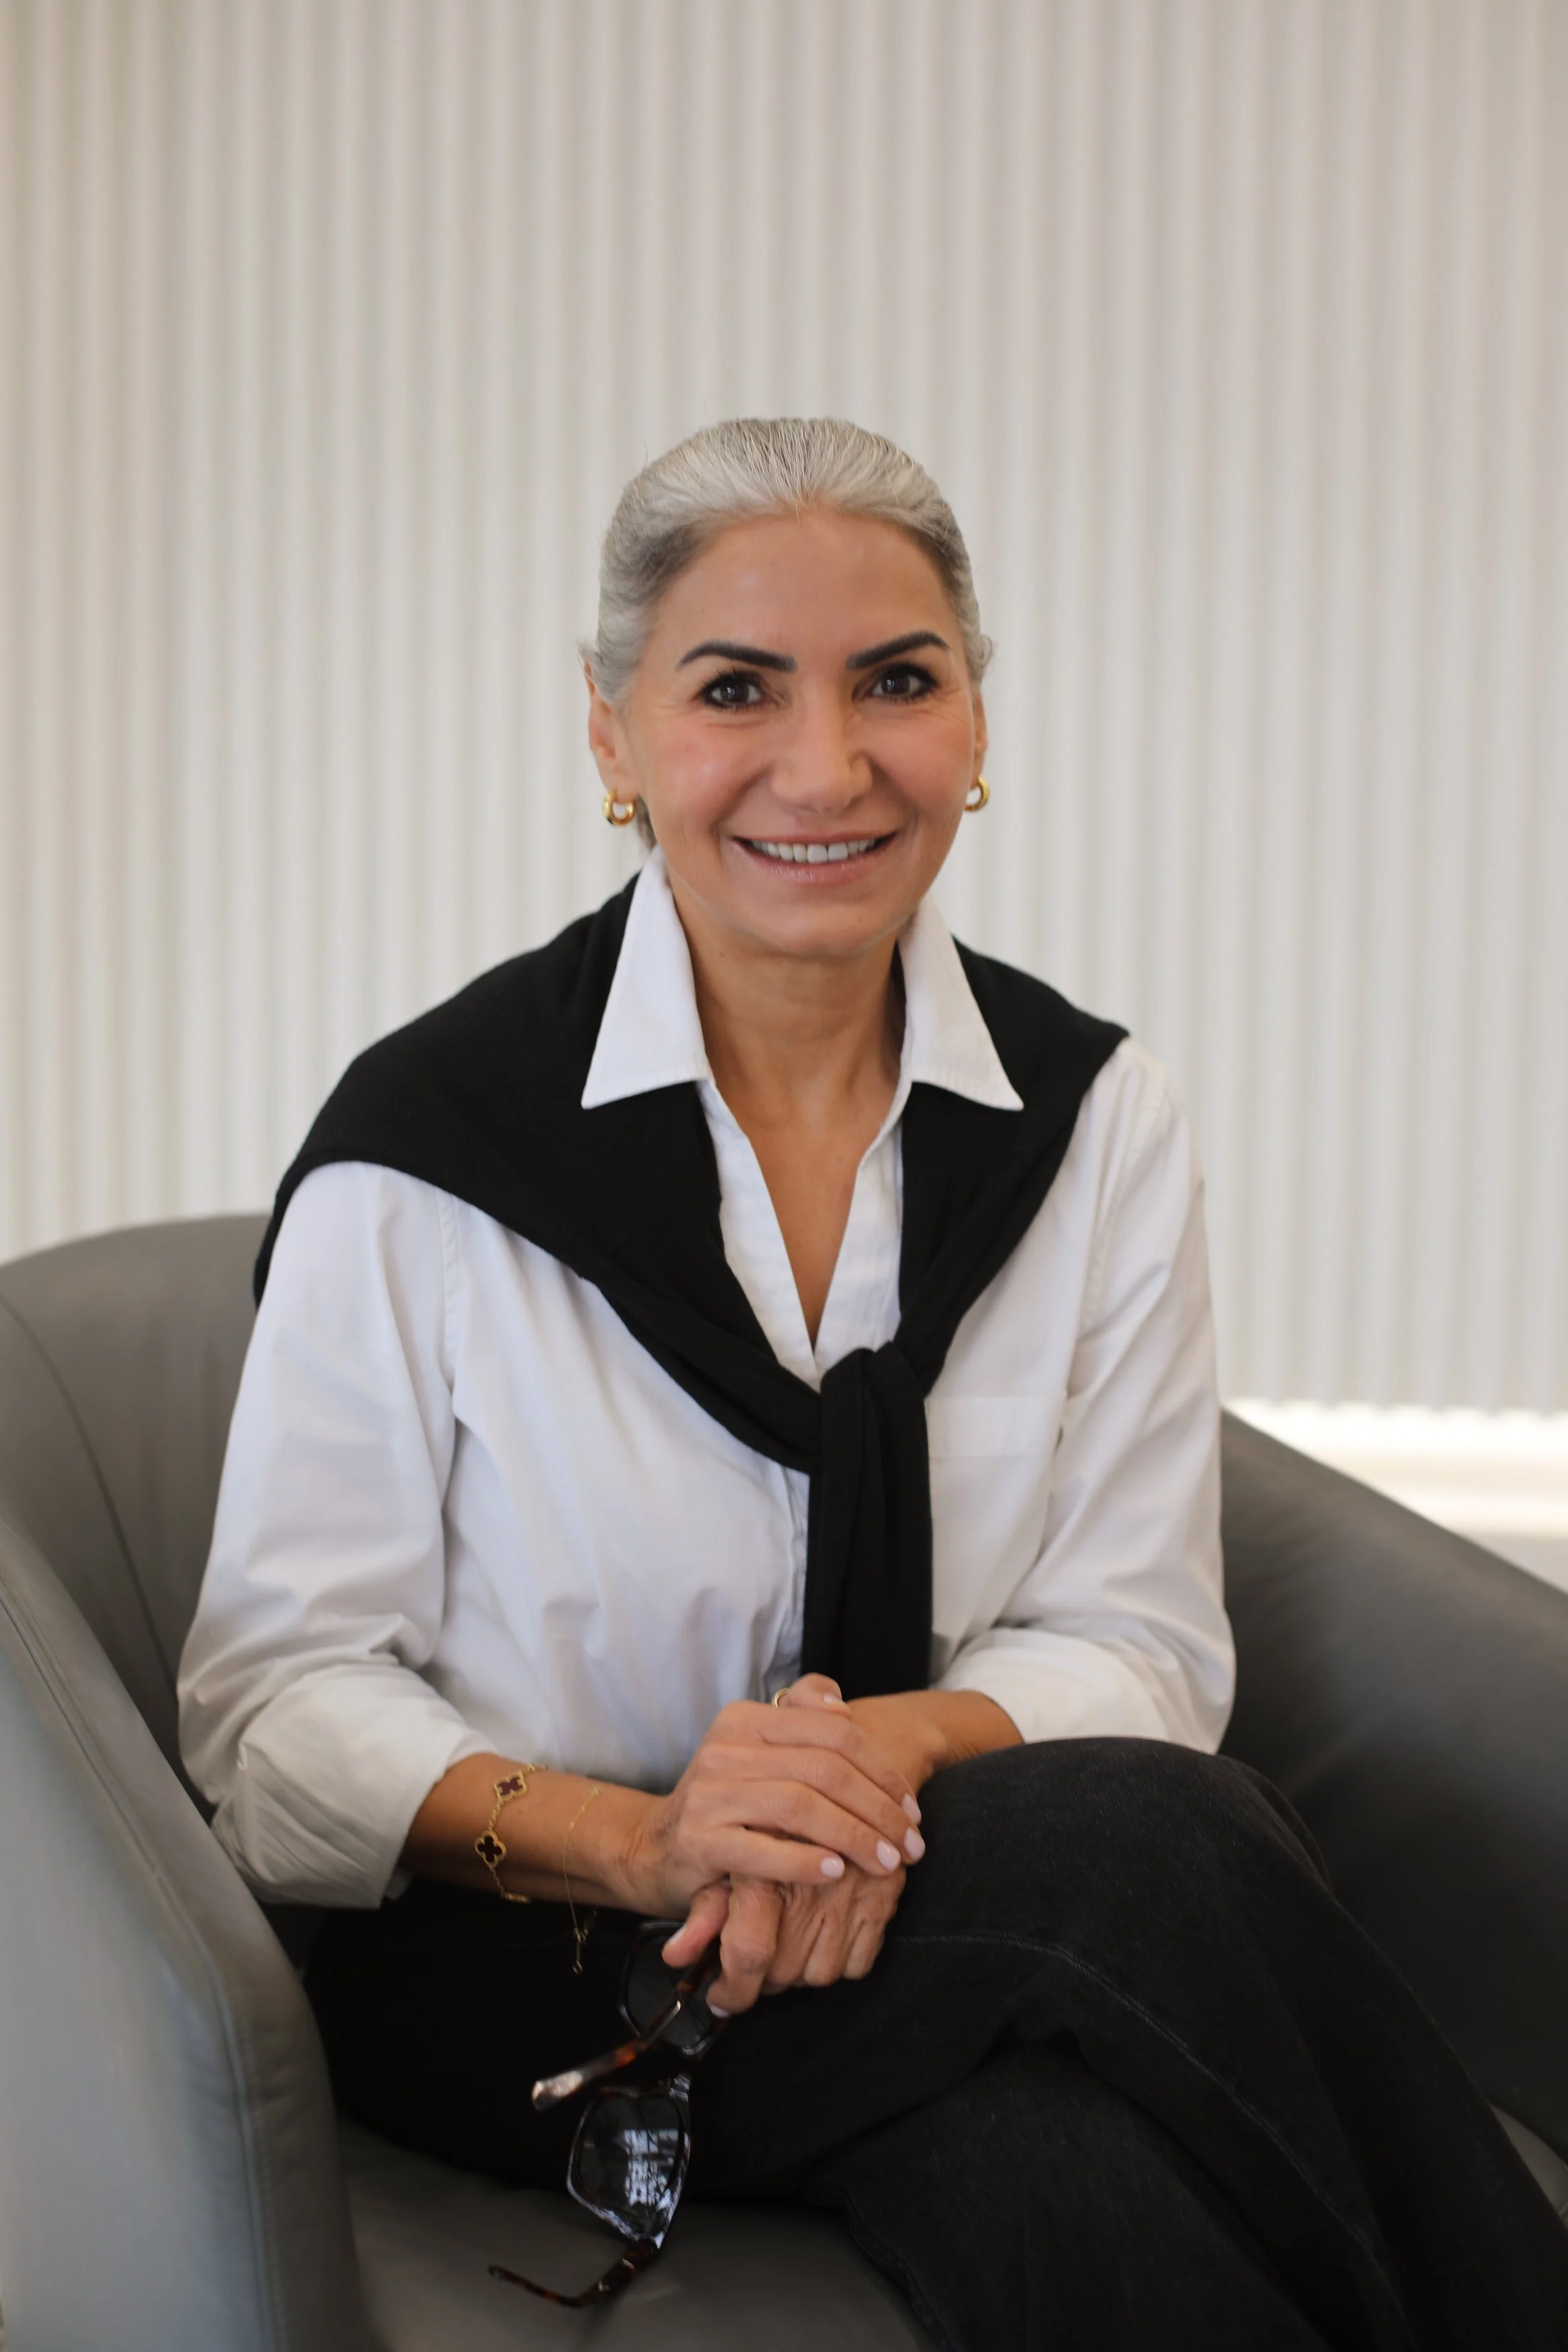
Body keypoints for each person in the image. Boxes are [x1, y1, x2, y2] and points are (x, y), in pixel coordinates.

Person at [178, 418, 1568, 2349]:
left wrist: (861, 1771)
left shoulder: (1093, 1124)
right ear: (611, 739)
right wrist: (657, 1833)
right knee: (1160, 1850)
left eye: (895, 682)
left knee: (1056, 2177)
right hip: (532, 1956)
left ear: (974, 723)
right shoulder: (429, 1151)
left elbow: (1138, 1644)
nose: (823, 766)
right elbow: (273, 1709)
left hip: (910, 1911)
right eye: (733, 686)